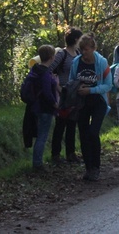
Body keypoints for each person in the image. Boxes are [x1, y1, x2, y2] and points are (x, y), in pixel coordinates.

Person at [69, 34, 112, 181]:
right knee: (83, 133)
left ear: (93, 48)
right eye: (81, 50)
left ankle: (96, 167)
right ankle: (88, 168)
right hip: (82, 102)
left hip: (98, 101)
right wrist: (77, 88)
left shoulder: (101, 62)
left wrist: (91, 90)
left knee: (93, 132)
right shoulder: (76, 62)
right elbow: (71, 81)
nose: (84, 53)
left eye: (86, 50)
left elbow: (108, 85)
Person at [49, 27, 82, 164]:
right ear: (75, 39)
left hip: (74, 94)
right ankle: (55, 154)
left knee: (72, 124)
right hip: (63, 93)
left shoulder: (79, 53)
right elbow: (49, 69)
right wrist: (57, 87)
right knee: (60, 125)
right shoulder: (62, 54)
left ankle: (70, 153)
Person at [28, 45, 60, 170]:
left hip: (35, 106)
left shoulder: (35, 70)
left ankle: (37, 161)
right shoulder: (45, 74)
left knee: (40, 135)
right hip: (45, 108)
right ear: (52, 57)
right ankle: (37, 163)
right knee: (42, 136)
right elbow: (47, 93)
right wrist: (55, 104)